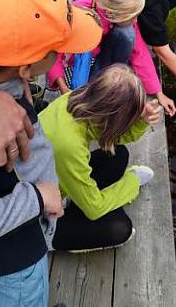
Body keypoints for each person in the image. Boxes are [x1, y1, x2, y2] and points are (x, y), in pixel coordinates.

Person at [0, 0, 102, 306]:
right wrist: (38, 198)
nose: (64, 55)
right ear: (26, 67)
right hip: (8, 271)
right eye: (59, 50)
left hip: (19, 248)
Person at [40, 64, 161, 252]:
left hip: (56, 182)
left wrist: (141, 122)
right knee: (121, 229)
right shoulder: (68, 144)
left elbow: (110, 135)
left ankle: (74, 199)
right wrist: (132, 183)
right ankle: (50, 241)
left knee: (118, 154)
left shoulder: (77, 99)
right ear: (112, 117)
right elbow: (93, 209)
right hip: (39, 218)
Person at [48, 0, 176, 116]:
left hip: (93, 60)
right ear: (114, 14)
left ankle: (107, 84)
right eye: (132, 16)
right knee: (78, 99)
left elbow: (140, 52)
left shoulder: (116, 14)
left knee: (128, 33)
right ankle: (85, 96)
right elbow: (52, 51)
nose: (136, 20)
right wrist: (62, 87)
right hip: (71, 66)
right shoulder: (76, 14)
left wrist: (158, 92)